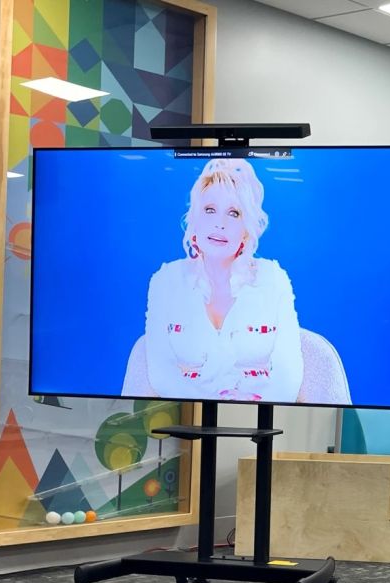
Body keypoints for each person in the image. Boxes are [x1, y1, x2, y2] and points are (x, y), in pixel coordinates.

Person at [127, 158, 304, 402]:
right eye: (210, 210)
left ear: (246, 230)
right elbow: (160, 374)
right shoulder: (166, 281)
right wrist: (209, 400)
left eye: (233, 213)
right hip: (185, 414)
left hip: (259, 413)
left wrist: (249, 402)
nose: (220, 224)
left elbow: (289, 376)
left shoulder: (273, 279)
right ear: (194, 221)